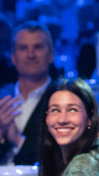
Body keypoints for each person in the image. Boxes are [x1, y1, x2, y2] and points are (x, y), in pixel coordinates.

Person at [0, 21, 57, 165]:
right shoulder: (2, 97)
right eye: (23, 48)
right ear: (13, 57)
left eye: (38, 47)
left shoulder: (62, 99)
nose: (31, 55)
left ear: (51, 55)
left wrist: (16, 139)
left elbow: (61, 156)